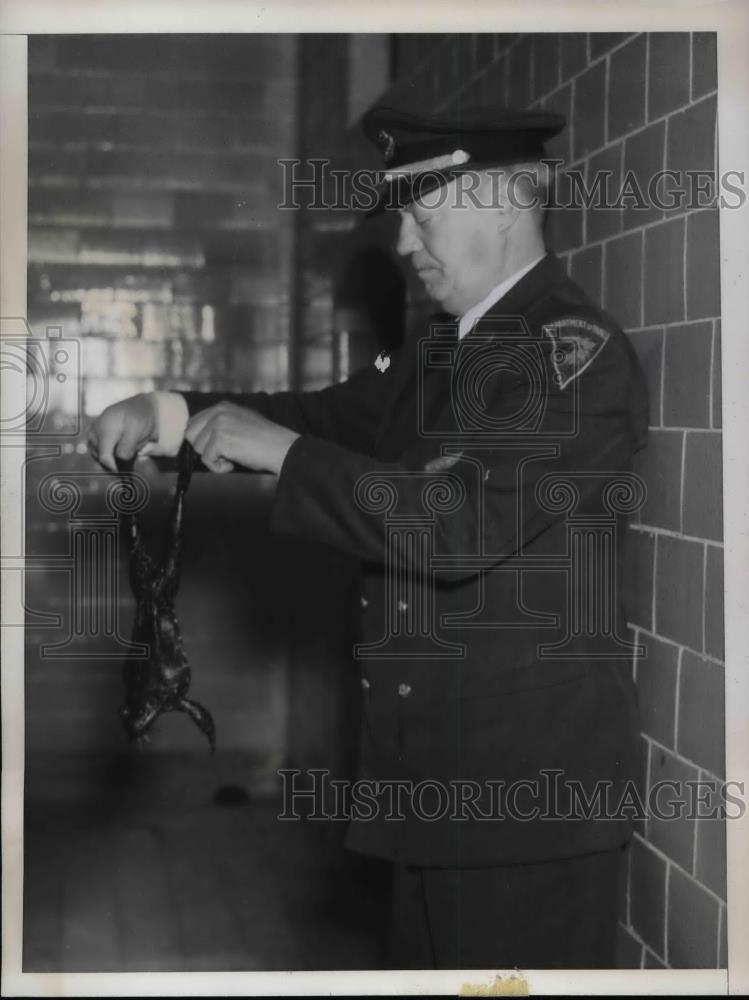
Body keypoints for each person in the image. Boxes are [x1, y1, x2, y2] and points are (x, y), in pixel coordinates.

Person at [89, 104, 649, 970]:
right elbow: (318, 418)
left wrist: (284, 453)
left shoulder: (569, 353)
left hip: (525, 804)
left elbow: (458, 524)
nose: (403, 245)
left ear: (503, 199)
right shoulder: (441, 354)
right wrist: (169, 413)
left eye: (422, 215)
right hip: (435, 787)